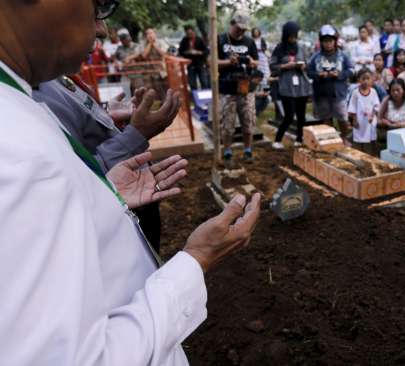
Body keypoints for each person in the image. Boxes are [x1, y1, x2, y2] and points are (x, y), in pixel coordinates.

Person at [0, 1, 261, 364]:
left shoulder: (18, 109)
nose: (102, 29)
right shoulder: (18, 151)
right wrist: (196, 260)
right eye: (98, 5)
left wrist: (101, 194)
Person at [34, 20, 182, 251]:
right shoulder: (24, 97)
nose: (102, 29)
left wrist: (104, 116)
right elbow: (76, 174)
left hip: (130, 197)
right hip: (109, 216)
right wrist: (137, 133)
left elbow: (77, 131)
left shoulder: (47, 76)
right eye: (94, 10)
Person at [217, 13, 259, 162]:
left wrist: (252, 63)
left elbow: (256, 61)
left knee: (248, 121)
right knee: (227, 124)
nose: (241, 32)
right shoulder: (220, 39)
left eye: (243, 30)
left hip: (246, 87)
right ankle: (227, 151)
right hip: (227, 88)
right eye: (238, 28)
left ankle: (248, 150)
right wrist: (228, 62)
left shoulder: (249, 42)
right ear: (232, 24)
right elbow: (211, 62)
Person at [270, 21, 313, 149]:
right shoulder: (279, 48)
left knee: (301, 116)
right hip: (287, 86)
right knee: (289, 116)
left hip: (301, 86)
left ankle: (299, 139)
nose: (293, 38)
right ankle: (277, 140)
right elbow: (272, 66)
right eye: (291, 35)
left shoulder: (301, 47)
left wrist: (303, 66)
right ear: (286, 34)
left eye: (295, 35)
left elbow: (307, 64)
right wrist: (285, 66)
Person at [308, 24, 354, 143]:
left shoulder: (342, 56)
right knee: (326, 118)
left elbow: (352, 70)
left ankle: (344, 138)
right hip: (321, 92)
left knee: (342, 118)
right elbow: (308, 71)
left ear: (335, 41)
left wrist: (339, 75)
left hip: (338, 92)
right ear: (321, 42)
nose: (328, 44)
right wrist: (318, 75)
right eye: (325, 41)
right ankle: (330, 140)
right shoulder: (316, 57)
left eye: (330, 41)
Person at [348, 69, 381, 154]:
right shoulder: (355, 93)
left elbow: (376, 106)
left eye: (368, 79)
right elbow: (353, 107)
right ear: (359, 80)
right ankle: (358, 155)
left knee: (370, 139)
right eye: (363, 79)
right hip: (359, 121)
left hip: (370, 121)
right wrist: (354, 120)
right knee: (358, 138)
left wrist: (372, 116)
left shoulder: (373, 92)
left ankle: (371, 155)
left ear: (372, 79)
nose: (366, 81)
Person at [179, 26, 209, 90]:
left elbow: (206, 51)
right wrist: (187, 52)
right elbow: (180, 51)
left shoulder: (199, 39)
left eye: (190, 33)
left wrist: (198, 52)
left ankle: (206, 97)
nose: (189, 35)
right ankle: (194, 97)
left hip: (200, 64)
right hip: (190, 65)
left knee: (204, 81)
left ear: (193, 32)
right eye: (187, 34)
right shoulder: (184, 40)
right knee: (192, 83)